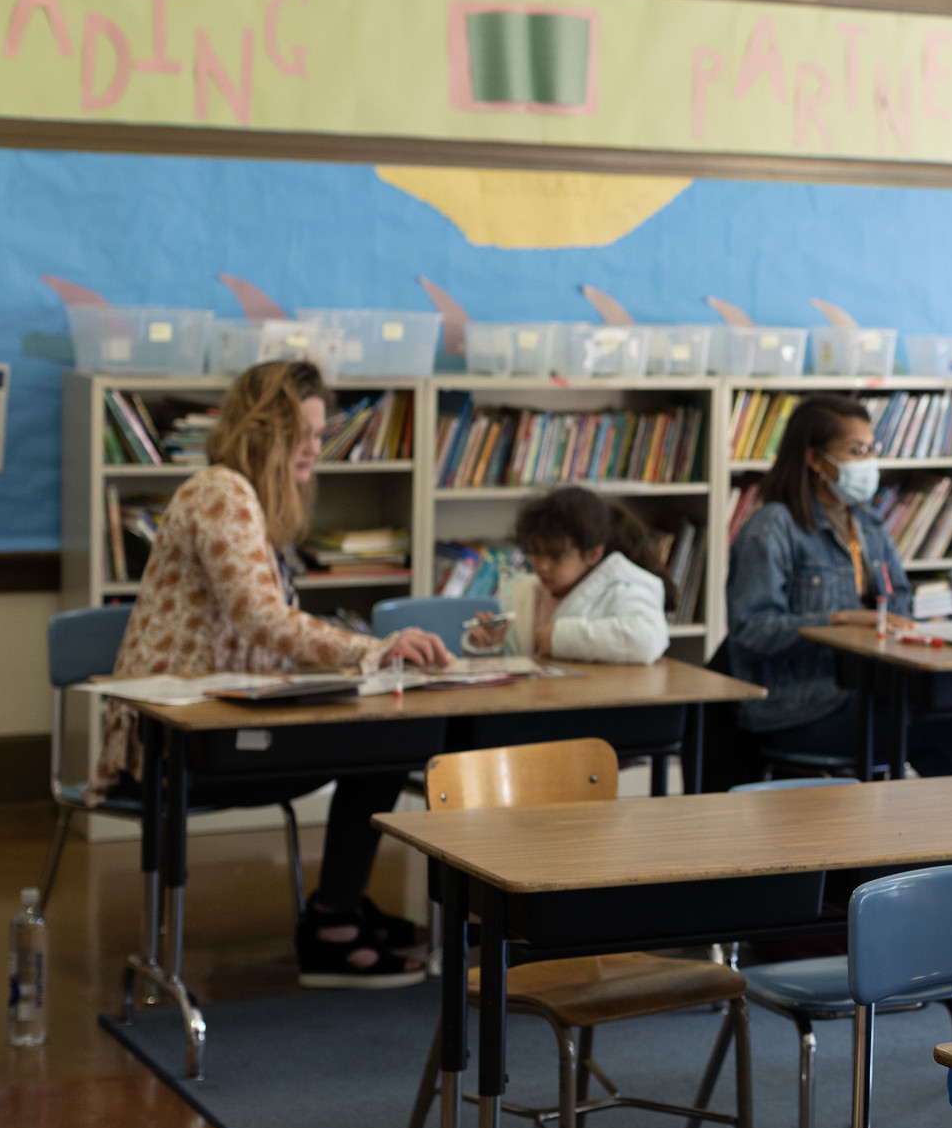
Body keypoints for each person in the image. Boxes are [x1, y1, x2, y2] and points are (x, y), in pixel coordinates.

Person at [99, 361, 452, 989]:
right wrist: (372, 650)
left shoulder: (247, 500)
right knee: (386, 742)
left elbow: (262, 629)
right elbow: (261, 618)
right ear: (267, 432)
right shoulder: (222, 491)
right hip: (176, 737)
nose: (318, 448)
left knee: (387, 738)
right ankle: (331, 924)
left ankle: (339, 908)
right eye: (307, 435)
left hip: (221, 717)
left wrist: (358, 660)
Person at [725, 395, 952, 776]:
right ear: (814, 459)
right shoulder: (771, 528)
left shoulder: (869, 525)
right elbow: (751, 629)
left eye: (871, 450)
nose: (867, 462)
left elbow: (900, 603)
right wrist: (839, 619)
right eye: (855, 451)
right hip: (797, 709)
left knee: (945, 716)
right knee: (943, 730)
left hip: (871, 695)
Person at [465, 486, 670, 663]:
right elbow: (516, 665)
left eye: (555, 556)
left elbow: (648, 640)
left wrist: (560, 639)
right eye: (536, 553)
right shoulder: (525, 592)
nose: (542, 566)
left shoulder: (622, 588)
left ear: (593, 554)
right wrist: (489, 647)